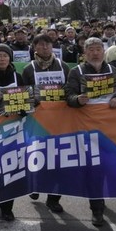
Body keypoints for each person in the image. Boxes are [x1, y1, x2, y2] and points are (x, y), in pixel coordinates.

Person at [65, 37, 116, 227]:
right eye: (91, 49)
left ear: (103, 51)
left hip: (110, 128)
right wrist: (77, 99)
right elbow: (68, 95)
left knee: (107, 167)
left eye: (98, 49)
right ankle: (96, 209)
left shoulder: (112, 70)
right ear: (85, 53)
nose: (95, 52)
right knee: (94, 169)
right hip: (86, 128)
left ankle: (100, 199)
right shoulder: (77, 71)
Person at [21, 34, 70, 212]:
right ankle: (34, 185)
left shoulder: (63, 66)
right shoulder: (28, 69)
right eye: (41, 45)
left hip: (59, 122)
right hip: (37, 122)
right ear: (35, 48)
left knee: (58, 160)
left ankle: (54, 198)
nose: (45, 48)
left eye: (48, 45)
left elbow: (69, 90)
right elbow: (23, 94)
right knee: (36, 156)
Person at [0, 44, 27, 222]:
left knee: (10, 168)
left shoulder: (18, 76)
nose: (2, 59)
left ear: (10, 58)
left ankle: (7, 208)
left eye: (5, 56)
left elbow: (28, 100)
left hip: (12, 130)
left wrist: (23, 108)